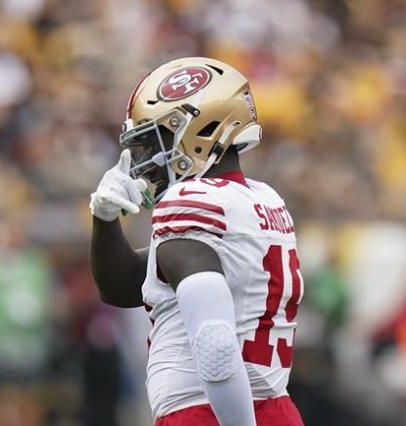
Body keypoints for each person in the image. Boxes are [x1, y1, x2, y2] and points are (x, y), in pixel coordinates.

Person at [89, 57, 305, 426]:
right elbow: (124, 288)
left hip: (210, 412)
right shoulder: (263, 200)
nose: (145, 160)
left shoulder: (191, 202)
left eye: (157, 140)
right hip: (273, 409)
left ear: (201, 131)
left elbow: (216, 345)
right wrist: (105, 219)